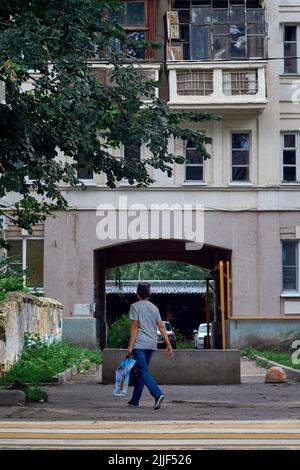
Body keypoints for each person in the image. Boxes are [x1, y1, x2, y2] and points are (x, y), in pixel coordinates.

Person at [126, 282, 173, 410]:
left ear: (137, 293)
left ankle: (157, 394)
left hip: (139, 344)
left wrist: (130, 347)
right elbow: (161, 326)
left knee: (142, 370)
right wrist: (168, 344)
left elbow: (134, 327)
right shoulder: (154, 308)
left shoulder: (135, 306)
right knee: (142, 371)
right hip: (152, 345)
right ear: (148, 294)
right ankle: (135, 400)